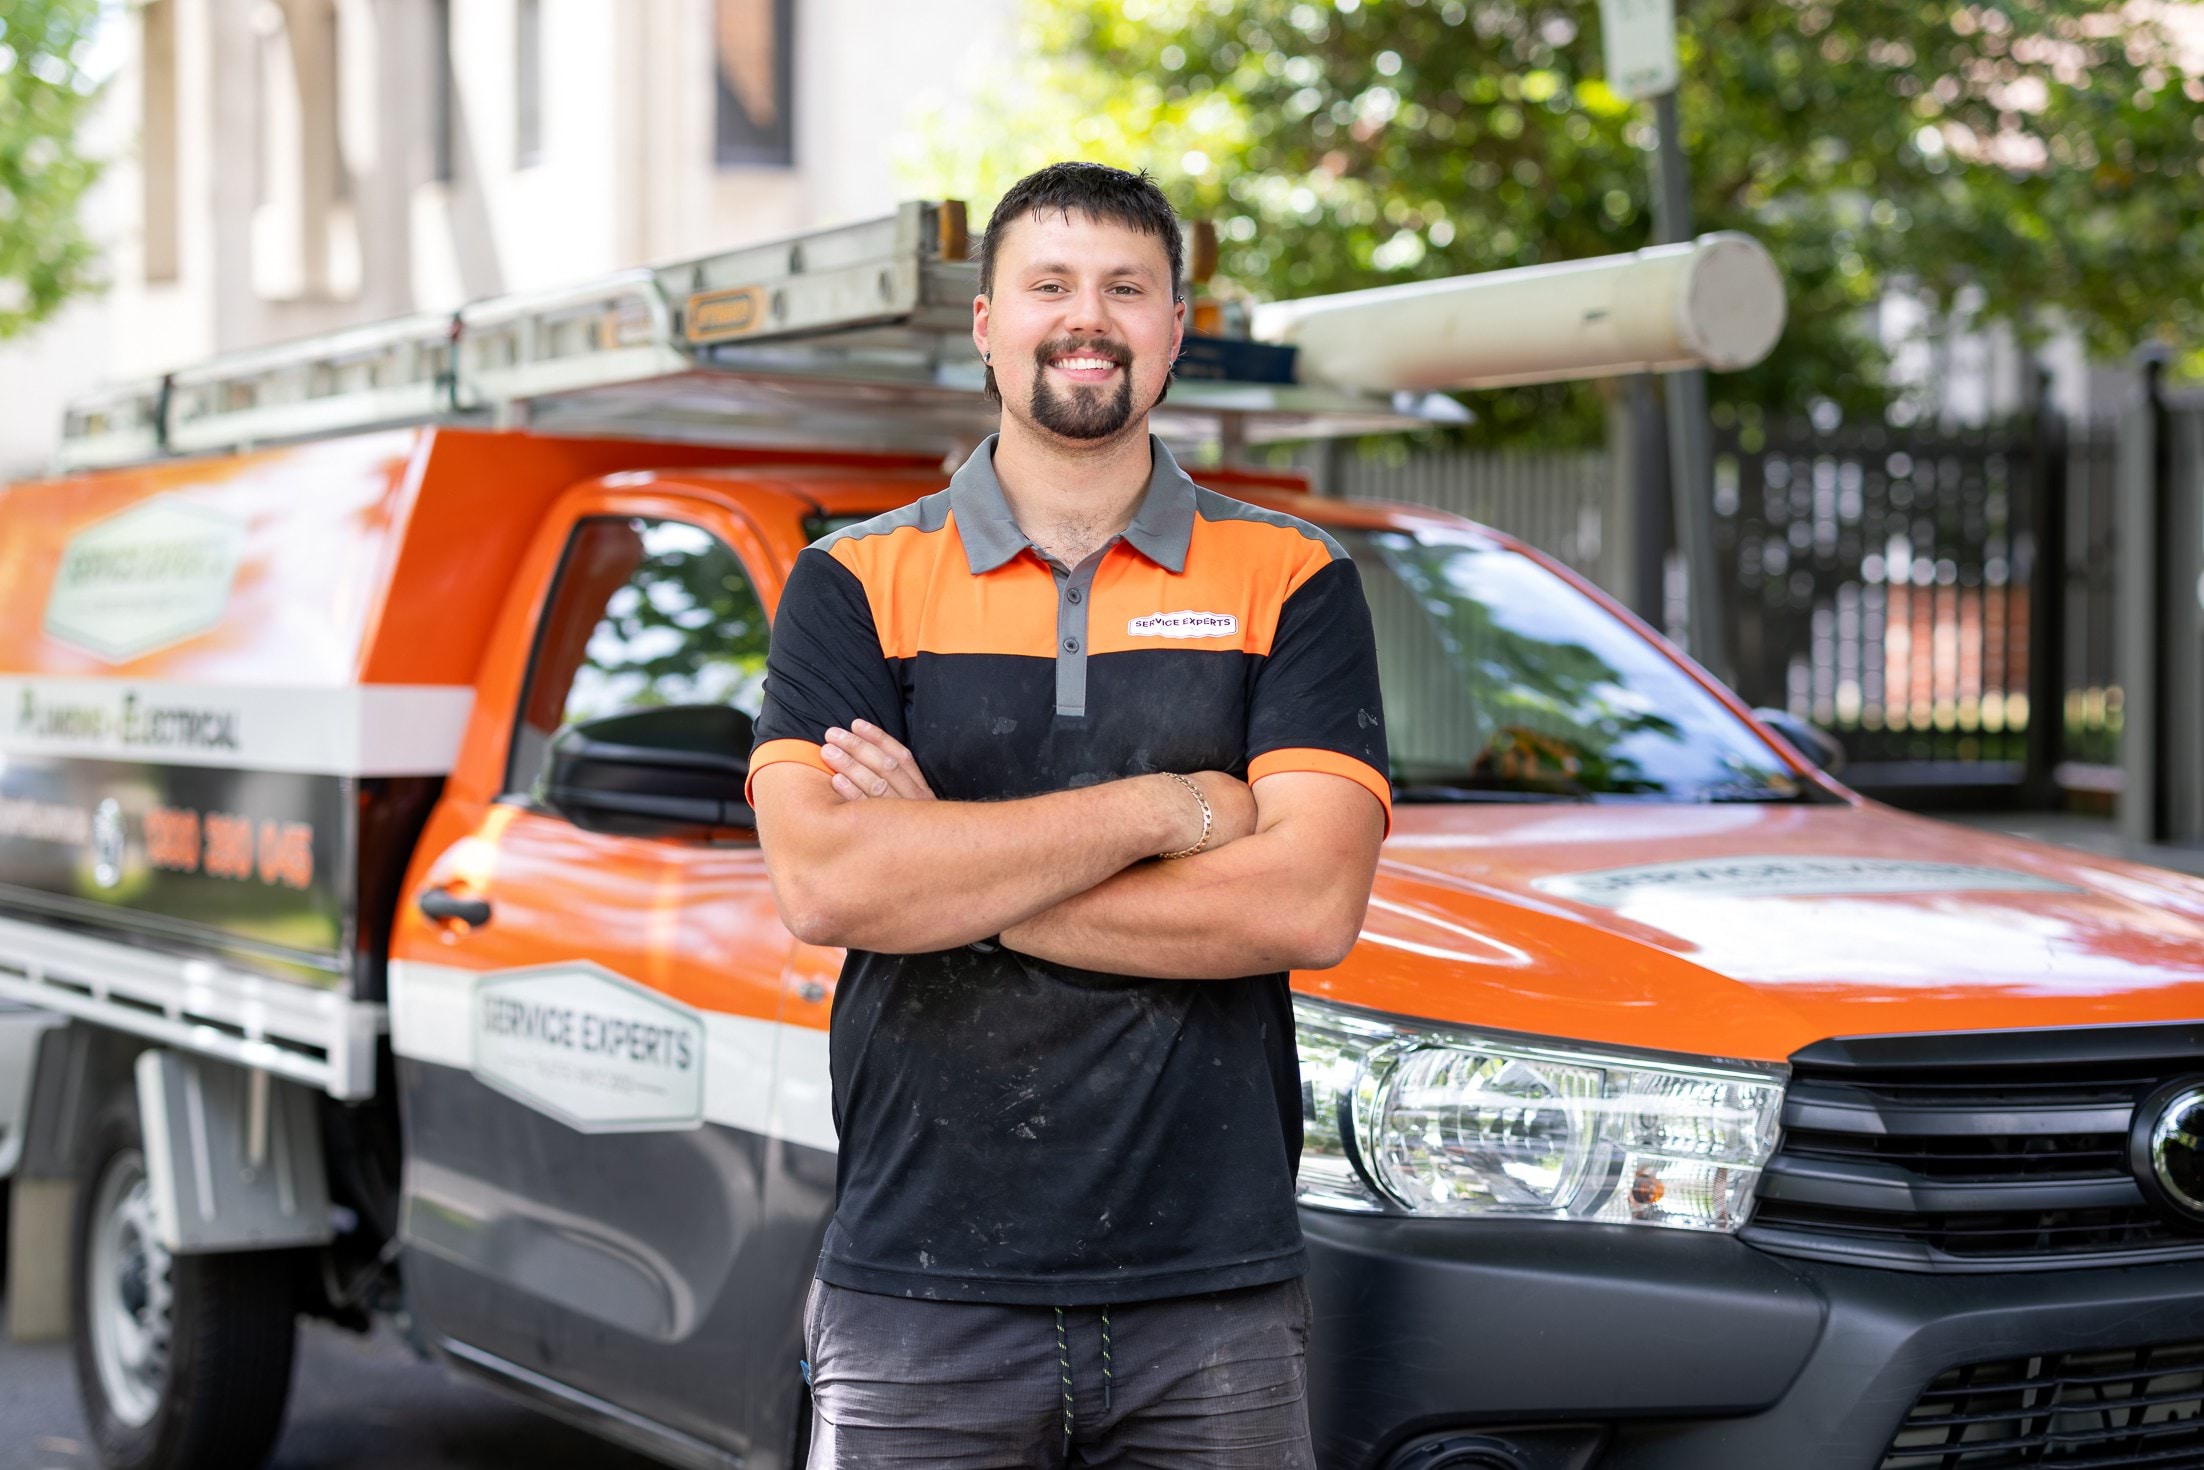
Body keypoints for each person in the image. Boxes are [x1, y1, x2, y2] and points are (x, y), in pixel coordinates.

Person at [746, 161, 1390, 1468]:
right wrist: (1173, 807)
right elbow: (829, 887)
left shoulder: (1294, 579)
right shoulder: (851, 581)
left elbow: (1307, 904)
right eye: (1048, 284)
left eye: (1124, 288)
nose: (1086, 316)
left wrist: (950, 867)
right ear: (985, 324)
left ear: (1175, 326)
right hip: (919, 1286)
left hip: (1210, 1291)